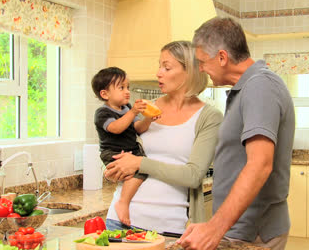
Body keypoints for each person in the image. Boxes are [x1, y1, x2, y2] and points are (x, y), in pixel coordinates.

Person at [177, 17, 295, 250]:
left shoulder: (260, 86)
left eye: (202, 61)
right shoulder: (247, 88)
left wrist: (214, 228)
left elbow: (260, 164)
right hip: (240, 230)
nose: (200, 68)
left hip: (253, 233)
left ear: (222, 57)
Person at [103, 41, 223, 234]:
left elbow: (193, 176)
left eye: (166, 67)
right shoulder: (143, 108)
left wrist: (139, 163)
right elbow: (120, 151)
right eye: (159, 66)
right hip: (119, 222)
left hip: (168, 227)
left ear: (190, 71)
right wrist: (112, 169)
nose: (158, 73)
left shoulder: (209, 117)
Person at [92, 66, 159, 226]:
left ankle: (123, 199)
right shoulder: (102, 113)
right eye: (121, 87)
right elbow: (116, 128)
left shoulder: (126, 108)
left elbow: (139, 129)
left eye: (127, 87)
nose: (127, 91)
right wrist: (134, 112)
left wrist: (148, 119)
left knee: (143, 169)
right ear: (105, 94)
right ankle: (123, 202)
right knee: (138, 173)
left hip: (132, 152)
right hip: (112, 153)